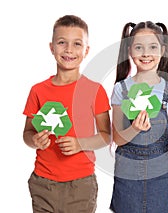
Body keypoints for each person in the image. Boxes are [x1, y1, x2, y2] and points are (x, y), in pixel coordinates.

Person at [22, 15, 111, 213]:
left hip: (81, 185)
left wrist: (81, 144)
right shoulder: (38, 90)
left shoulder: (94, 90)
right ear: (52, 47)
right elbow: (27, 133)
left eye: (77, 44)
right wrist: (35, 140)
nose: (69, 50)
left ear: (86, 50)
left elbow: (106, 135)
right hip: (42, 183)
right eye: (62, 42)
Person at [109, 21, 168, 213]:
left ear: (163, 50)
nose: (145, 53)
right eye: (138, 47)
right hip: (128, 178)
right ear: (130, 50)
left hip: (163, 179)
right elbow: (117, 138)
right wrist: (134, 128)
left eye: (152, 46)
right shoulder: (121, 89)